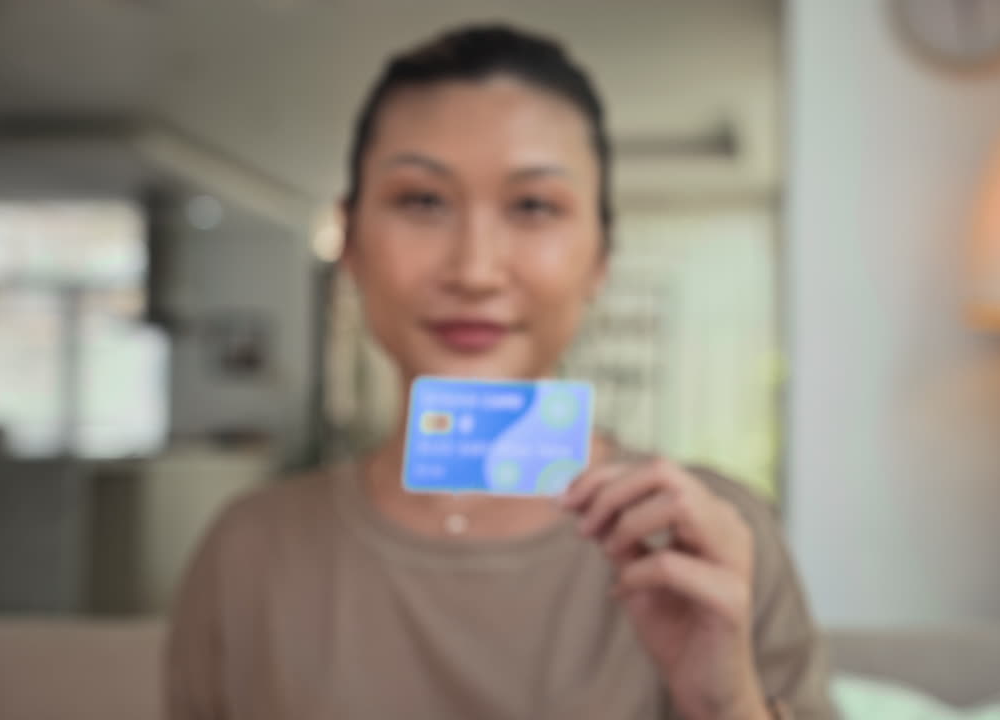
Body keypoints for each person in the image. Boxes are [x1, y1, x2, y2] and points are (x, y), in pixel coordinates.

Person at [167, 24, 835, 720]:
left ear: (600, 258)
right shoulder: (248, 550)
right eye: (422, 201)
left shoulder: (714, 542)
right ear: (352, 240)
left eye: (534, 206)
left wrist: (725, 702)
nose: (475, 270)